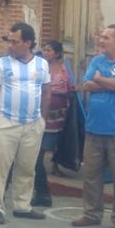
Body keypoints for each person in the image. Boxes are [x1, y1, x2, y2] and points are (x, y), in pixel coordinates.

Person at [73, 24, 115, 228]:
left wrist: (100, 79)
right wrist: (113, 84)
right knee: (91, 174)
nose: (101, 41)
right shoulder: (97, 60)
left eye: (105, 37)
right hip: (95, 127)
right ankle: (91, 213)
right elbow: (87, 85)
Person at [0, 23, 51, 224]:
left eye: (15, 41)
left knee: (27, 167)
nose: (10, 45)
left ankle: (22, 205)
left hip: (32, 124)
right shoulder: (2, 63)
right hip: (7, 122)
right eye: (9, 40)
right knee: (0, 168)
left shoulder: (42, 64)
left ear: (28, 43)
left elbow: (47, 91)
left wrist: (42, 119)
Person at [32, 40, 73, 207]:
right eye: (44, 50)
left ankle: (42, 190)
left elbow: (69, 89)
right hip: (41, 116)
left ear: (57, 53)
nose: (45, 53)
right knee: (37, 154)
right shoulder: (40, 67)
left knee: (44, 149)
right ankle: (40, 191)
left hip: (57, 117)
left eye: (49, 50)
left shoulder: (64, 69)